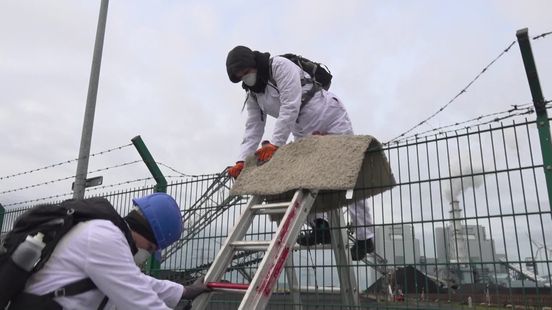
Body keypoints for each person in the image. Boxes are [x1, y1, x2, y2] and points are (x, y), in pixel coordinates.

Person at [225, 45, 374, 260]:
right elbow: (253, 128)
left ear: (252, 63)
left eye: (245, 71)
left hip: (329, 116)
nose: (245, 78)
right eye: (239, 77)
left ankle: (364, 236)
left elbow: (290, 105)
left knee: (348, 172)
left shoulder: (280, 66)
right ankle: (320, 227)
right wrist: (241, 160)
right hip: (302, 129)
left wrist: (275, 144)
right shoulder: (253, 94)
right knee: (303, 176)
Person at [11, 193, 210, 309]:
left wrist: (183, 291)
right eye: (150, 248)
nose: (146, 254)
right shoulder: (105, 237)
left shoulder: (106, 234)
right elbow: (139, 300)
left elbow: (136, 281)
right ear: (145, 231)